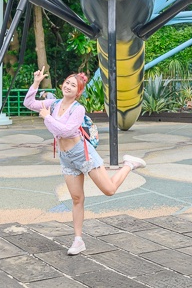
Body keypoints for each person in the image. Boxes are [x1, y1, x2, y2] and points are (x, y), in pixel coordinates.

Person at [23, 69, 146, 256]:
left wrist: (47, 117)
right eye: (67, 82)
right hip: (66, 158)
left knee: (109, 190)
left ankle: (129, 164)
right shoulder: (54, 104)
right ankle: (78, 240)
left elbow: (65, 131)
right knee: (77, 198)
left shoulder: (77, 109)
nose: (68, 86)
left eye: (73, 85)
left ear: (78, 92)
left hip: (83, 155)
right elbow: (29, 103)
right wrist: (36, 82)